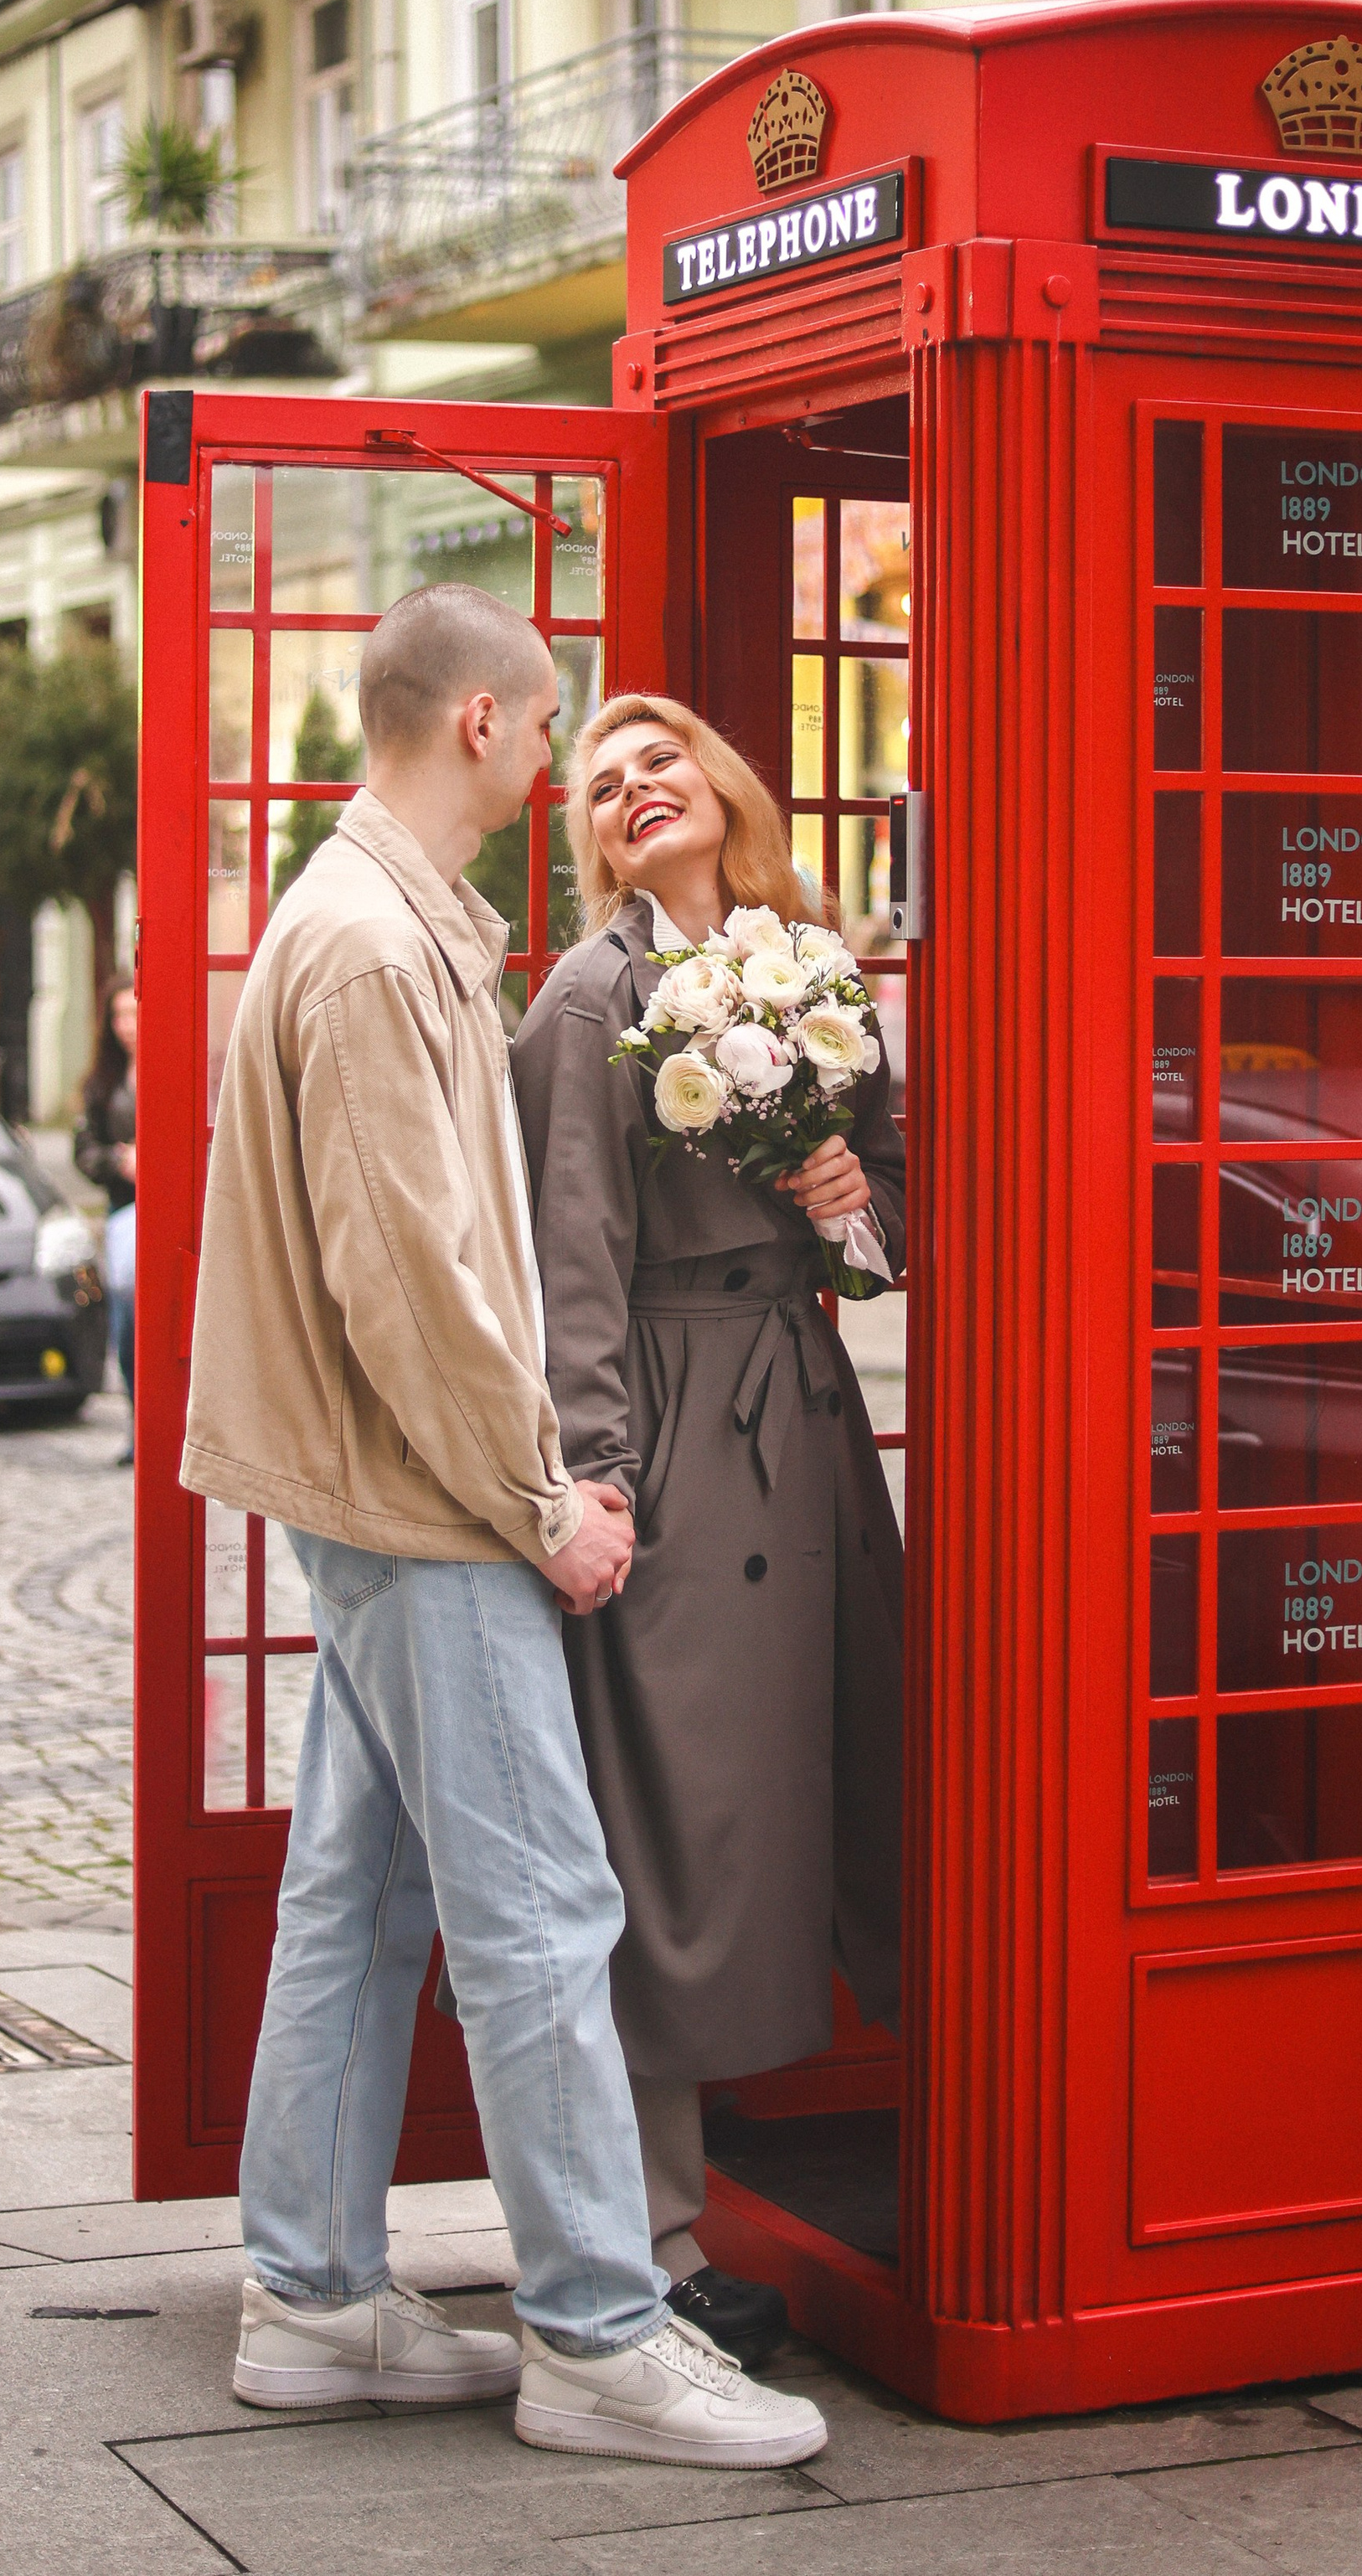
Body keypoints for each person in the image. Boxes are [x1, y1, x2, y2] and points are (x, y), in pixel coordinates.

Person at [179, 585, 826, 2471]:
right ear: (478, 723)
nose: (558, 765)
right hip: (426, 1496)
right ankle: (597, 2338)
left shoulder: (373, 920)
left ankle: (308, 2295)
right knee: (545, 1910)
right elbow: (421, 1284)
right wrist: (544, 1502)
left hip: (371, 1485)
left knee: (359, 1902)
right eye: (548, 729)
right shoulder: (383, 955)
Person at [510, 692, 905, 2368]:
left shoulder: (806, 959)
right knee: (669, 1832)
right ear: (589, 840)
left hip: (806, 1421)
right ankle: (658, 2244)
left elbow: (892, 1224)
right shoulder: (590, 1000)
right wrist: (594, 1480)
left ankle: (895, 2127)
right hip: (679, 1433)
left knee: (857, 1774)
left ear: (720, 785)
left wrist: (847, 1205)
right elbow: (571, 1264)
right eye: (602, 784)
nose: (635, 789)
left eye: (659, 759)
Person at [75, 976, 137, 1464]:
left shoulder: (182, 1064)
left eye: (135, 1012)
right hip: (125, 1213)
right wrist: (120, 1162)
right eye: (119, 1015)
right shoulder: (102, 1082)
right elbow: (84, 1150)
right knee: (128, 1320)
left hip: (179, 1216)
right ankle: (140, 1423)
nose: (128, 1026)